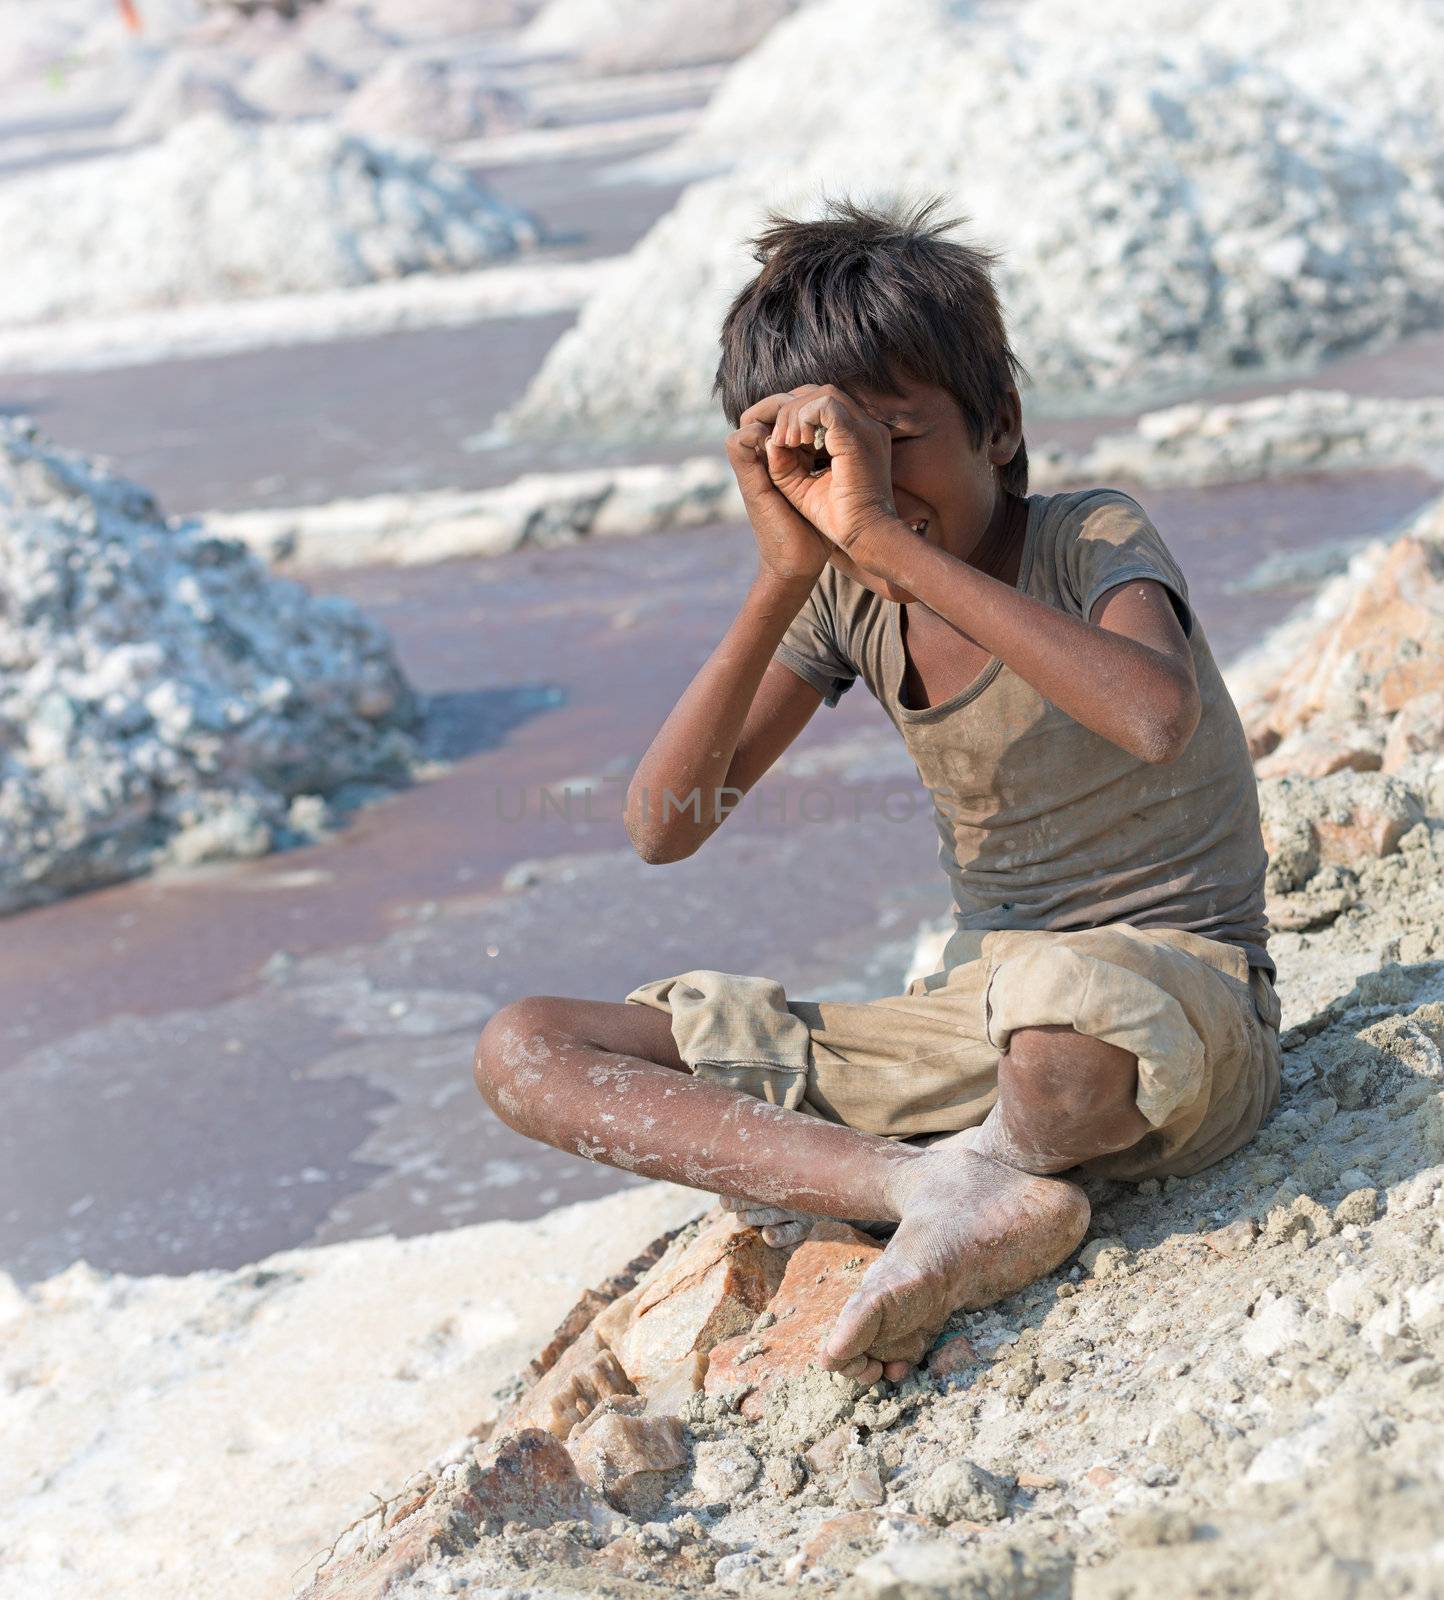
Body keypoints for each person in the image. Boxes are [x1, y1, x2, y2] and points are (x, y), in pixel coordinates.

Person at [473, 194, 1281, 1386]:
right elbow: (661, 827)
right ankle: (932, 1184)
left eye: (896, 438)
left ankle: (992, 1156)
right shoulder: (841, 595)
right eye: (828, 456)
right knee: (526, 1047)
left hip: (1169, 998)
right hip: (976, 1014)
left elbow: (1155, 715)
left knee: (1059, 1017)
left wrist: (892, 544)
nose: (869, 482)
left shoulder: (1083, 537)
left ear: (999, 426)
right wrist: (782, 576)